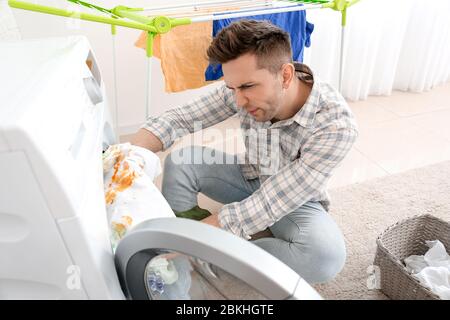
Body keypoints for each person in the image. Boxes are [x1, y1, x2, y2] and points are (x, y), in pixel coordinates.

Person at [130, 19, 358, 284]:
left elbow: (272, 201)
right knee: (182, 160)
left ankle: (208, 256)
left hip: (295, 200)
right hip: (251, 175)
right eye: (232, 88)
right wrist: (126, 156)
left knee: (324, 257)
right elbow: (180, 119)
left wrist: (203, 240)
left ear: (285, 75)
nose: (238, 100)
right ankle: (191, 240)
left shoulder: (336, 125)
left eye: (247, 87)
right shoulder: (243, 86)